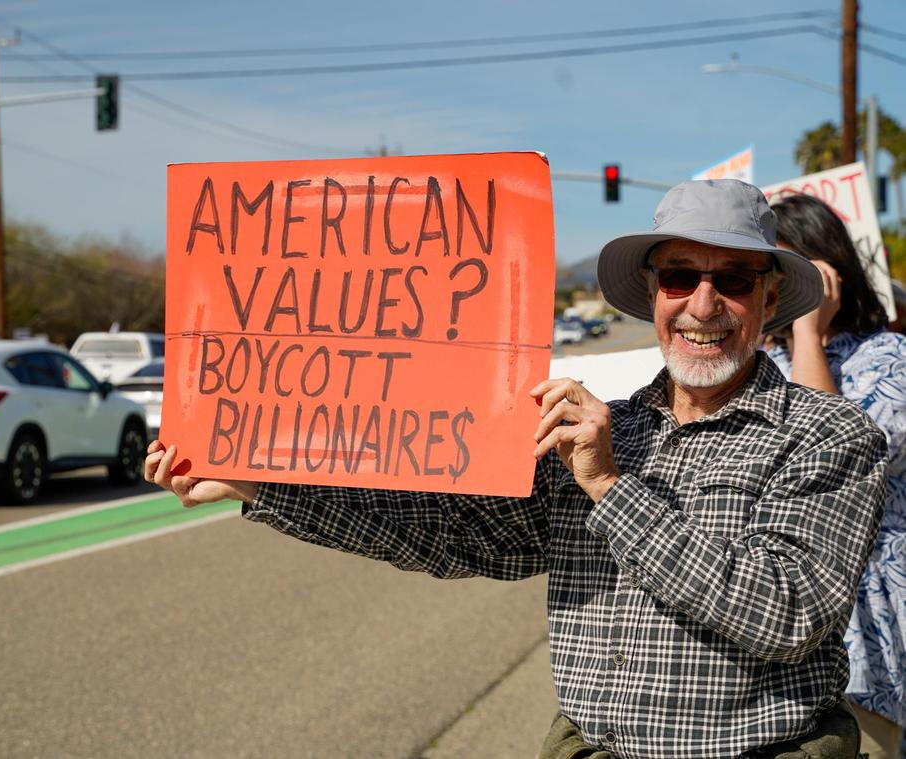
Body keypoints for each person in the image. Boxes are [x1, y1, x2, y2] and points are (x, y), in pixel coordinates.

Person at [147, 180, 888, 758]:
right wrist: (266, 484)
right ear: (653, 295)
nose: (703, 302)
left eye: (730, 279)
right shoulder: (606, 427)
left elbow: (785, 612)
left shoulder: (829, 434)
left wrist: (609, 488)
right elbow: (453, 533)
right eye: (680, 276)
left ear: (765, 296)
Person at [766, 193, 906, 759]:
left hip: (874, 616)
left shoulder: (887, 356)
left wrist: (807, 332)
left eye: (789, 271)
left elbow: (832, 458)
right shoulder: (754, 363)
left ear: (830, 270)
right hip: (783, 613)